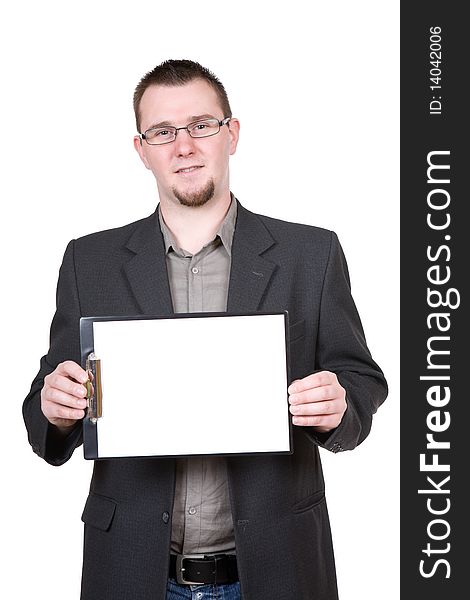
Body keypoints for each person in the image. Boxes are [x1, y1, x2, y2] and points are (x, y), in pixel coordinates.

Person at [23, 59, 388, 600]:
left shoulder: (311, 254)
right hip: (131, 570)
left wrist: (340, 404)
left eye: (201, 125)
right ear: (141, 149)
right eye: (163, 132)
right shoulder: (88, 261)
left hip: (277, 568)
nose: (184, 146)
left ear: (231, 134)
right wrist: (55, 409)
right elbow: (44, 412)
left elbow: (361, 378)